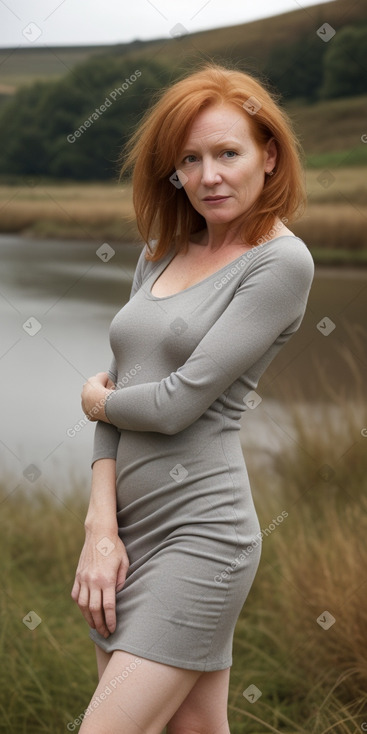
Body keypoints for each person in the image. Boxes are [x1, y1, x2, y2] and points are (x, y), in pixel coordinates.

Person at [71, 62, 314, 734]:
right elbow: (121, 386)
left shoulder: (278, 263)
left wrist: (95, 403)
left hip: (201, 537)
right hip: (123, 538)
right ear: (172, 171)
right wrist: (100, 529)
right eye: (190, 159)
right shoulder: (160, 252)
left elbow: (174, 402)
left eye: (227, 154)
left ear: (267, 156)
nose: (209, 176)